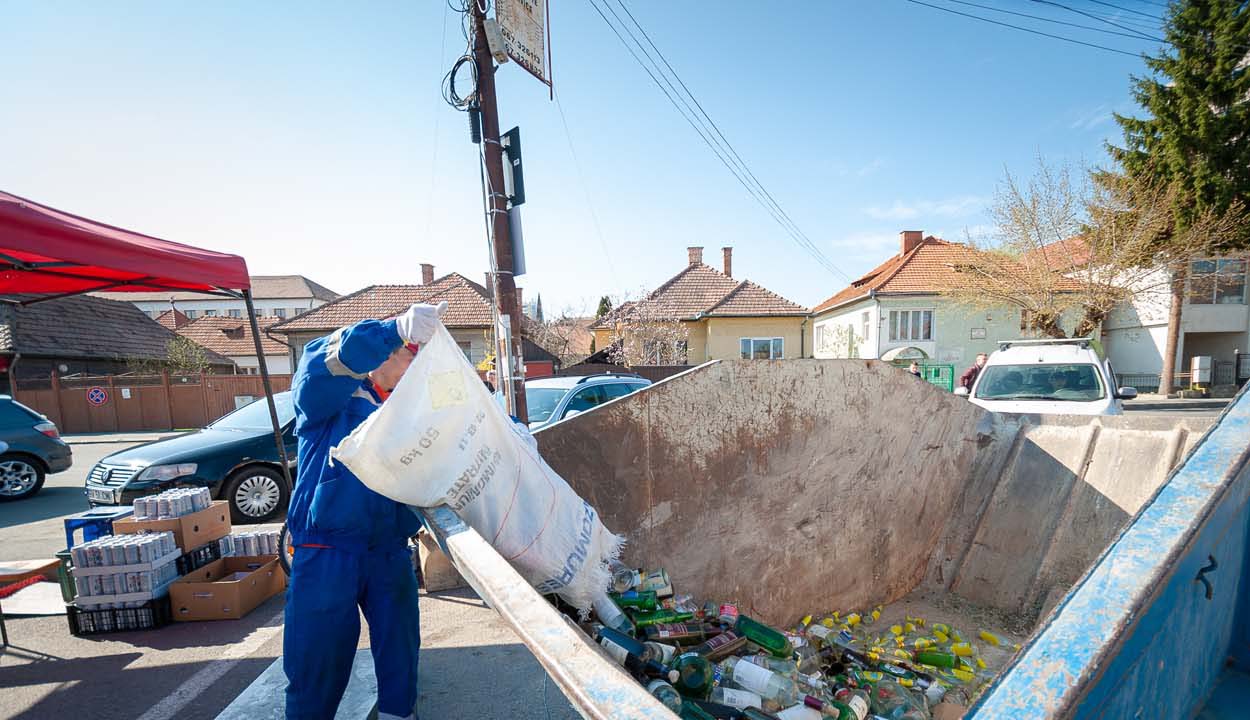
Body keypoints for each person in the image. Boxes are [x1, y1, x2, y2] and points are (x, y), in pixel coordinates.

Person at [284, 301, 447, 720]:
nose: (413, 368)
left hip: (388, 549)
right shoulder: (330, 396)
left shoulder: (403, 410)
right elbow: (322, 363)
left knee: (400, 651)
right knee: (316, 660)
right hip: (327, 549)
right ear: (386, 355)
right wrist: (392, 329)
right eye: (409, 355)